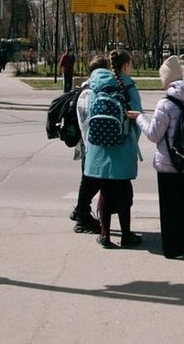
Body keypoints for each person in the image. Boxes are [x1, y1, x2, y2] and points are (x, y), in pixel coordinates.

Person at [127, 56, 184, 259]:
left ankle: (174, 249)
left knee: (170, 207)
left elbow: (154, 135)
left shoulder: (165, 103)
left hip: (168, 163)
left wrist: (139, 118)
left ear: (166, 79)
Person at [80, 49, 143, 249]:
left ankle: (105, 236)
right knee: (124, 190)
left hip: (98, 146)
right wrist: (132, 142)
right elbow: (137, 118)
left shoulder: (95, 86)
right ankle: (126, 236)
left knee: (105, 191)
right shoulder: (128, 87)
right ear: (125, 66)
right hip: (122, 143)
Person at [69, 53, 109, 234]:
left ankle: (80, 211)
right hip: (93, 145)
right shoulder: (93, 92)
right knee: (92, 180)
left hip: (85, 144)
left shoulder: (83, 90)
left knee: (88, 180)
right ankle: (81, 215)